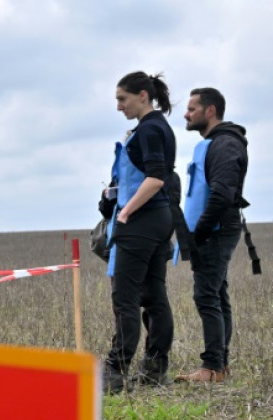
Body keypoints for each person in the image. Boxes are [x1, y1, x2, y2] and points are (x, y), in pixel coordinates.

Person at [101, 72, 177, 394]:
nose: (119, 106)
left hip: (141, 222)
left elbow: (156, 177)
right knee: (153, 295)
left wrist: (126, 211)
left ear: (143, 95)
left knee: (126, 298)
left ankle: (114, 373)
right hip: (159, 219)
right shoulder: (157, 127)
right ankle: (154, 369)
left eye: (123, 99)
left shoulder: (149, 129)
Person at [174, 88, 252, 384]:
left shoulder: (225, 145)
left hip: (216, 231)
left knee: (206, 295)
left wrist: (199, 233)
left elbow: (221, 195)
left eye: (192, 108)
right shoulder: (215, 143)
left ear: (210, 111)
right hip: (213, 230)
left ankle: (211, 368)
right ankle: (220, 365)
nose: (186, 113)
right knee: (216, 294)